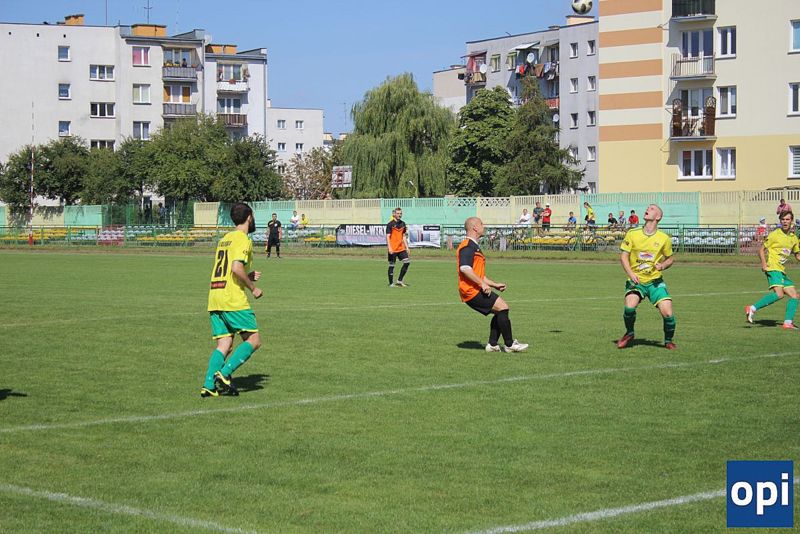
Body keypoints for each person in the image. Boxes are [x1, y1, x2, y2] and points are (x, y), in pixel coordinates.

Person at [201, 202, 263, 398]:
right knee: (254, 340)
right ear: (249, 217)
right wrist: (253, 287)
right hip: (231, 298)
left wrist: (247, 276)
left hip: (215, 295)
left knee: (225, 344)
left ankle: (208, 384)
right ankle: (225, 373)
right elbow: (236, 268)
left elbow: (230, 269)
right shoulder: (242, 238)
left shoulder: (225, 239)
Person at [457, 217, 528, 353]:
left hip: (475, 288)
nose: (484, 226)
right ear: (475, 228)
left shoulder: (474, 246)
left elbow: (479, 275)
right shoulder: (467, 246)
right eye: (481, 224)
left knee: (500, 311)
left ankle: (493, 345)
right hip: (471, 290)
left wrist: (494, 284)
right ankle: (509, 345)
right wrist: (482, 284)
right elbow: (465, 268)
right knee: (503, 308)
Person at [617, 204, 677, 350]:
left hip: (655, 282)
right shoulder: (632, 233)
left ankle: (668, 340)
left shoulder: (664, 238)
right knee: (629, 306)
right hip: (636, 281)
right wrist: (631, 274)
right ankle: (629, 333)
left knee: (668, 313)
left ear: (658, 217)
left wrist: (663, 266)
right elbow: (623, 256)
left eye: (652, 208)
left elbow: (670, 259)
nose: (648, 209)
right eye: (648, 208)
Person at [745, 210, 800, 329]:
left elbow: (797, 255)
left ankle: (788, 323)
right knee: (779, 294)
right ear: (780, 221)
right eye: (783, 219)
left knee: (794, 295)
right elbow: (761, 250)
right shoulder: (775, 234)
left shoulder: (794, 238)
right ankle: (752, 308)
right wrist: (764, 264)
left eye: (787, 219)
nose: (785, 222)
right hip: (773, 268)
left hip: (781, 270)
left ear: (791, 221)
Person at [386, 207, 411, 287]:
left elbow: (403, 236)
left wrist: (407, 247)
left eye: (400, 213)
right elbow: (388, 237)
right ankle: (391, 283)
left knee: (407, 262)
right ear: (394, 214)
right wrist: (389, 248)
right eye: (398, 213)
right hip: (393, 248)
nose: (399, 215)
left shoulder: (403, 224)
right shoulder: (390, 224)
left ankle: (399, 281)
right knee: (392, 265)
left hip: (401, 248)